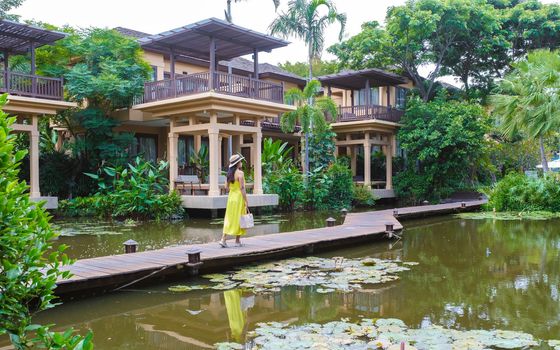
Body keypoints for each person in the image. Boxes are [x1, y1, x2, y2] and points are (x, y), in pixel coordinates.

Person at [219, 154, 248, 247]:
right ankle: (237, 241)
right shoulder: (240, 173)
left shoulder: (229, 174)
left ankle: (223, 239)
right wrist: (246, 200)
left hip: (231, 197)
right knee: (240, 217)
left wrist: (233, 189)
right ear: (237, 163)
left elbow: (226, 187)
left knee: (229, 217)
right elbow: (242, 188)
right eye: (240, 161)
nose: (241, 162)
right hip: (239, 197)